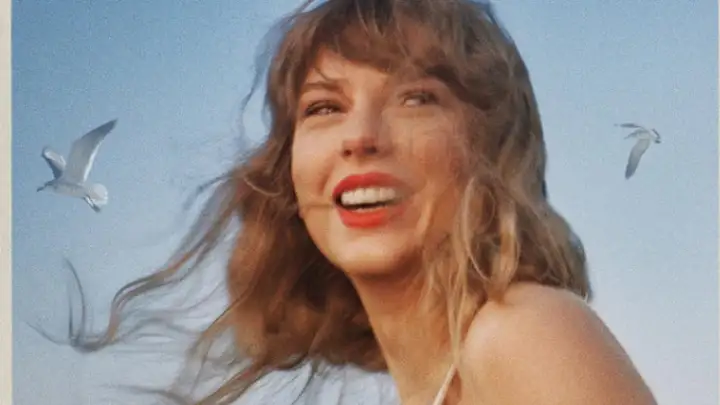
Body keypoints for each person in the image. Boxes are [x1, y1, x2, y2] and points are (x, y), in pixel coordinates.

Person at [67, 0, 658, 404]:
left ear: (490, 146)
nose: (360, 137)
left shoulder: (523, 331)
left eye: (416, 98)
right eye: (324, 107)